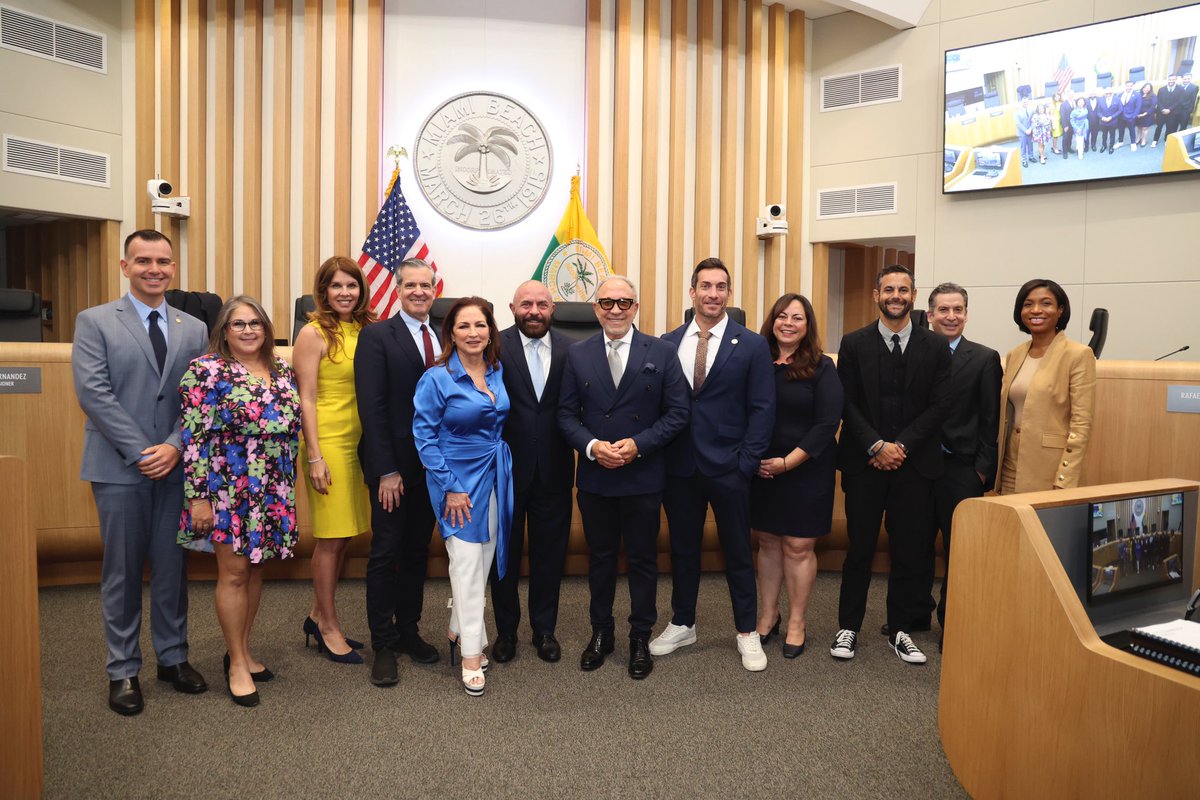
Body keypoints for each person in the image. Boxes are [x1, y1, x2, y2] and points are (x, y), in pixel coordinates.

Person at [72, 229, 210, 716]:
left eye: (164, 261)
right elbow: (94, 394)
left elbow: (198, 399)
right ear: (124, 265)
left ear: (173, 268)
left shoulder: (193, 328)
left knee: (173, 570)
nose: (155, 269)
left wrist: (173, 447)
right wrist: (143, 451)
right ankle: (123, 670)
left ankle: (173, 659)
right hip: (118, 468)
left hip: (175, 469)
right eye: (144, 260)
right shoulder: (93, 322)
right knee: (123, 571)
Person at [557, 276, 689, 679]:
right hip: (597, 476)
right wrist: (594, 447)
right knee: (599, 560)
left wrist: (638, 444)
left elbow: (678, 413)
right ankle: (601, 633)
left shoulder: (663, 352)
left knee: (643, 560)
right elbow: (564, 414)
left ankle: (638, 636)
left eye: (624, 303)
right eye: (607, 303)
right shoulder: (576, 353)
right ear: (595, 308)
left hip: (643, 474)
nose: (615, 310)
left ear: (636, 307)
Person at [178, 296, 301, 706]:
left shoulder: (282, 370)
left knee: (254, 569)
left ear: (266, 329)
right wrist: (198, 499)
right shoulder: (205, 371)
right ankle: (234, 664)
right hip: (226, 487)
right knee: (232, 573)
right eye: (238, 324)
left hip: (273, 488)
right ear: (224, 332)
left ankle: (243, 650)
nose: (248, 331)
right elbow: (193, 438)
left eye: (256, 324)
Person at [654, 258, 775, 672]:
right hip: (680, 468)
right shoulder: (666, 343)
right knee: (683, 551)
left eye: (721, 287)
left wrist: (745, 464)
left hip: (730, 468)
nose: (712, 294)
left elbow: (762, 410)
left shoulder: (753, 344)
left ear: (728, 294)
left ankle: (746, 631)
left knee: (738, 552)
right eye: (705, 286)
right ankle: (683, 622)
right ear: (692, 293)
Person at [831, 265, 951, 666]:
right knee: (859, 549)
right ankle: (848, 626)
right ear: (875, 295)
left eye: (903, 289)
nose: (895, 295)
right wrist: (877, 445)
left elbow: (940, 405)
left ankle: (900, 630)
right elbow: (845, 402)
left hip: (915, 467)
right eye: (888, 289)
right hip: (864, 464)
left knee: (910, 552)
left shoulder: (935, 346)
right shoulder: (853, 343)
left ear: (914, 296)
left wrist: (900, 446)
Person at [413, 297, 513, 696]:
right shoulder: (436, 378)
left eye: (481, 325)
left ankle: (458, 630)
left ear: (491, 330)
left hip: (494, 473)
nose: (474, 333)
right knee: (467, 563)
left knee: (483, 556)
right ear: (450, 333)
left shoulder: (496, 369)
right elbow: (423, 436)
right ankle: (471, 652)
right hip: (455, 478)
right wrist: (451, 486)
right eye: (464, 326)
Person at [355, 258, 441, 687]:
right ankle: (383, 644)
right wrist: (387, 469)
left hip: (432, 468)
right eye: (411, 285)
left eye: (426, 285)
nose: (419, 292)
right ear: (397, 288)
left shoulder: (445, 335)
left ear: (435, 289)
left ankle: (409, 630)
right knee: (386, 553)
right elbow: (372, 408)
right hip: (392, 468)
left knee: (416, 552)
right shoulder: (376, 336)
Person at [750, 294, 842, 659]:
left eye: (797, 318)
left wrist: (788, 462)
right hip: (761, 469)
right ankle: (768, 615)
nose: (788, 323)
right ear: (772, 320)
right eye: (782, 316)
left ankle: (797, 623)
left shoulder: (822, 367)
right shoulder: (756, 361)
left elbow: (827, 424)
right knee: (768, 541)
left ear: (808, 326)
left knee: (799, 546)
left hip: (806, 469)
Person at [293, 256, 375, 664]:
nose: (345, 292)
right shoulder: (313, 332)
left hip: (360, 444)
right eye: (336, 286)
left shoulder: (365, 329)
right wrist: (314, 456)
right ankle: (327, 626)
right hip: (328, 442)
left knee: (345, 537)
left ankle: (315, 614)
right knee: (329, 540)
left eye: (352, 285)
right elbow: (305, 397)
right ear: (322, 291)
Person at [489, 281, 575, 664]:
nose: (534, 311)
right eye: (526, 304)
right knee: (503, 557)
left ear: (553, 308)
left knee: (549, 557)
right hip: (504, 471)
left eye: (542, 304)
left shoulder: (574, 349)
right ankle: (506, 631)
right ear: (512, 307)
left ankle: (544, 630)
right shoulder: (492, 347)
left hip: (555, 469)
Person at [914, 284, 1001, 652]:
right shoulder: (913, 353)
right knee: (915, 544)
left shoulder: (984, 358)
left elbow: (990, 419)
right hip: (917, 464)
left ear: (966, 314)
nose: (952, 316)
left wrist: (982, 470)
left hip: (961, 468)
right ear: (929, 315)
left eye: (959, 309)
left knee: (959, 552)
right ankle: (914, 614)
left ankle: (953, 622)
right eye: (944, 310)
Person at [996, 279, 1096, 494]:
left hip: (1050, 470)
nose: (1036, 310)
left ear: (1060, 310)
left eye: (1046, 303)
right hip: (1009, 465)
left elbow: (1082, 423)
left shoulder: (1078, 354)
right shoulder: (1015, 354)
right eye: (1028, 304)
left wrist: (1065, 477)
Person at [1152, 74, 1184, 147]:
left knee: (1170, 127)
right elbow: (1158, 100)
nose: (1171, 81)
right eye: (1170, 79)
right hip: (1161, 112)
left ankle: (1166, 140)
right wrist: (1162, 109)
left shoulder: (1180, 89)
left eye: (1173, 79)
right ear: (1167, 80)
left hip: (1172, 112)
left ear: (1176, 80)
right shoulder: (1161, 89)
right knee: (1158, 127)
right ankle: (1155, 140)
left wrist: (1169, 109)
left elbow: (1179, 101)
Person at [1096, 88, 1122, 154]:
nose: (1108, 95)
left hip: (1112, 121)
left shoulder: (1117, 99)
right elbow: (1098, 111)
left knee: (1112, 135)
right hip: (1103, 122)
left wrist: (1111, 117)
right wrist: (1102, 117)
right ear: (1104, 94)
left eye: (1109, 93)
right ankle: (1104, 146)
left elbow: (1120, 110)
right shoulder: (1101, 100)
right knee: (1104, 135)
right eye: (1106, 93)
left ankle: (1111, 147)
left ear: (1112, 93)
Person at [1116, 80, 1141, 151]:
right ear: (1125, 86)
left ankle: (1133, 143)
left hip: (1131, 117)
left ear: (1133, 86)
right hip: (1121, 116)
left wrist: (1134, 116)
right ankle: (1120, 142)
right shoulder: (1120, 94)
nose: (1129, 87)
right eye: (1127, 86)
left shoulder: (1137, 95)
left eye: (1131, 86)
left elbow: (1138, 107)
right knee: (1121, 130)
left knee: (1131, 130)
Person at [1134, 82, 1157, 148]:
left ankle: (1144, 140)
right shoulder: (1139, 94)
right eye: (1145, 87)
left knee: (1145, 128)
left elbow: (1153, 107)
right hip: (1138, 114)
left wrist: (1144, 114)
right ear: (1142, 88)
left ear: (1150, 89)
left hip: (1147, 115)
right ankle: (1138, 138)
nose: (1146, 89)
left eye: (1148, 88)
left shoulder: (1153, 96)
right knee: (1139, 127)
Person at [1014, 98, 1035, 167]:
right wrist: (1026, 130)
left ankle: (1031, 157)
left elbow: (1034, 120)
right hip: (1022, 133)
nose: (1025, 103)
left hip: (1030, 131)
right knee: (1023, 147)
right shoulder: (1017, 112)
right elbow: (1018, 124)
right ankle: (1024, 160)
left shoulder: (1032, 110)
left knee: (1030, 145)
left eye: (1026, 102)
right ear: (1021, 103)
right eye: (1023, 102)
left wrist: (1030, 129)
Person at [1057, 90, 1074, 160]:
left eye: (1072, 94)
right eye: (1069, 94)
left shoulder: (1075, 102)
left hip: (1073, 124)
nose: (1071, 96)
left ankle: (1069, 148)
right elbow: (1062, 115)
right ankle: (1065, 152)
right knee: (1065, 138)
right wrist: (1065, 126)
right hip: (1066, 124)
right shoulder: (1063, 104)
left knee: (1070, 137)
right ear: (1067, 95)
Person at [1050, 91, 1065, 156]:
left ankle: (1054, 147)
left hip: (1061, 120)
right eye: (1055, 96)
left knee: (1058, 135)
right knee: (1055, 136)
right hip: (1055, 121)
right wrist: (1053, 124)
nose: (1057, 97)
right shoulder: (1052, 104)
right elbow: (1051, 115)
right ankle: (1054, 148)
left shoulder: (1061, 102)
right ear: (1053, 97)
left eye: (1058, 96)